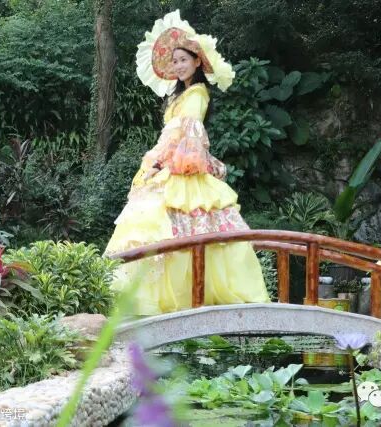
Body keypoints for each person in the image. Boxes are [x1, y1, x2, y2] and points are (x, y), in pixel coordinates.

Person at [104, 10, 270, 315]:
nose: (179, 65)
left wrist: (159, 162)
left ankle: (190, 297)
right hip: (171, 163)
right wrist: (157, 162)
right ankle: (155, 298)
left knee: (184, 226)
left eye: (184, 59)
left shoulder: (197, 93)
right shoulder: (179, 95)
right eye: (175, 61)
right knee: (156, 225)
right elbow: (171, 134)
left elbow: (184, 135)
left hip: (183, 166)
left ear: (197, 62)